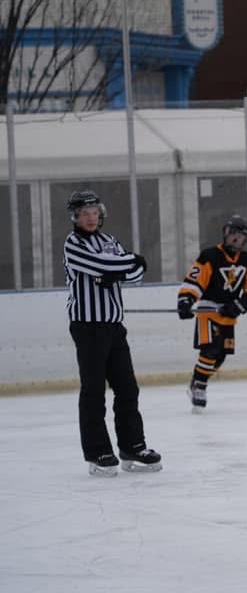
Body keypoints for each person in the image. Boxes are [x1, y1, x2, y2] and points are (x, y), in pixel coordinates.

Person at [63, 190, 162, 476]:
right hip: (87, 326)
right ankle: (98, 452)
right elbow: (104, 265)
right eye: (84, 213)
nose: (90, 218)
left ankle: (133, 446)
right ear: (75, 217)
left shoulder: (109, 241)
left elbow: (136, 274)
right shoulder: (73, 243)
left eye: (94, 212)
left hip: (114, 326)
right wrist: (121, 266)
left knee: (127, 388)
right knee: (94, 391)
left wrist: (113, 271)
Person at [177, 215, 247, 412]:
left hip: (228, 315)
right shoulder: (210, 256)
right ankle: (200, 386)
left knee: (221, 356)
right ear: (225, 233)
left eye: (239, 237)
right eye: (232, 235)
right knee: (210, 349)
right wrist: (186, 300)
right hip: (207, 311)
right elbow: (194, 281)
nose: (234, 239)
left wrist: (238, 306)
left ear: (245, 240)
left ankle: (198, 379)